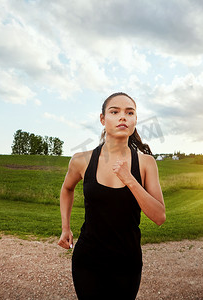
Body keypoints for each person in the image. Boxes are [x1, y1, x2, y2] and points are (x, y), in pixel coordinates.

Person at [58, 92, 166, 299]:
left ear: (135, 120)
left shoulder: (146, 163)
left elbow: (159, 217)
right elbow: (67, 189)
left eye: (130, 112)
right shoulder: (81, 160)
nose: (123, 117)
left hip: (127, 261)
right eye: (114, 111)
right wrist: (65, 227)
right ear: (102, 119)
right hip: (88, 259)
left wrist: (130, 180)